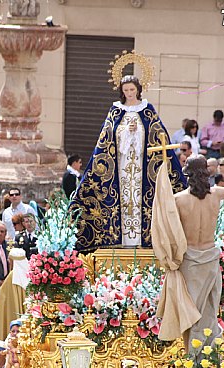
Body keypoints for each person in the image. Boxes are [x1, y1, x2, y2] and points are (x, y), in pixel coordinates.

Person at [72, 75, 186, 251]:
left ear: (138, 89)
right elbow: (106, 139)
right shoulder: (115, 111)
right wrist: (125, 131)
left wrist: (138, 132)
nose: (129, 93)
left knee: (142, 200)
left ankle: (143, 239)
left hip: (142, 166)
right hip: (121, 166)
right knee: (124, 199)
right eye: (126, 90)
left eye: (132, 89)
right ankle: (121, 239)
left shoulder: (147, 110)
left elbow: (158, 136)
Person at [152, 145, 224, 353]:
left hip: (190, 262)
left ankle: (194, 360)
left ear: (187, 175)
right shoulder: (216, 194)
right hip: (209, 259)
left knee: (191, 312)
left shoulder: (178, 200)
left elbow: (166, 227)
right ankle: (204, 359)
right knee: (207, 312)